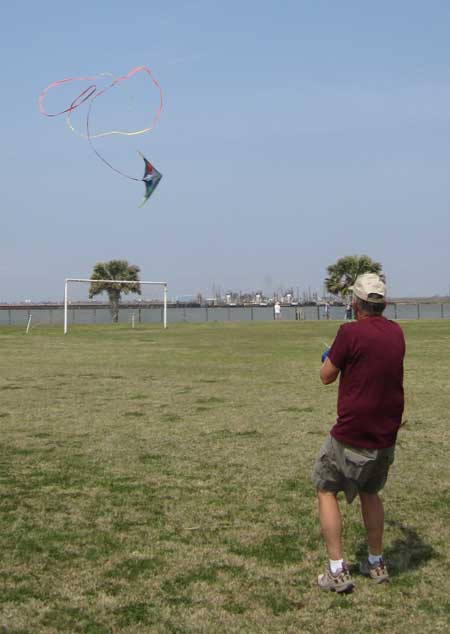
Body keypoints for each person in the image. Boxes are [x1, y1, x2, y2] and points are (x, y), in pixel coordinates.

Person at [311, 273, 405, 593]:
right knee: (370, 492)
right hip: (385, 436)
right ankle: (376, 562)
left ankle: (337, 570)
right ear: (384, 304)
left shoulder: (348, 333)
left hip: (352, 434)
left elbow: (326, 376)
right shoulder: (397, 333)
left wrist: (330, 356)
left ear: (355, 304)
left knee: (325, 487)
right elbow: (372, 363)